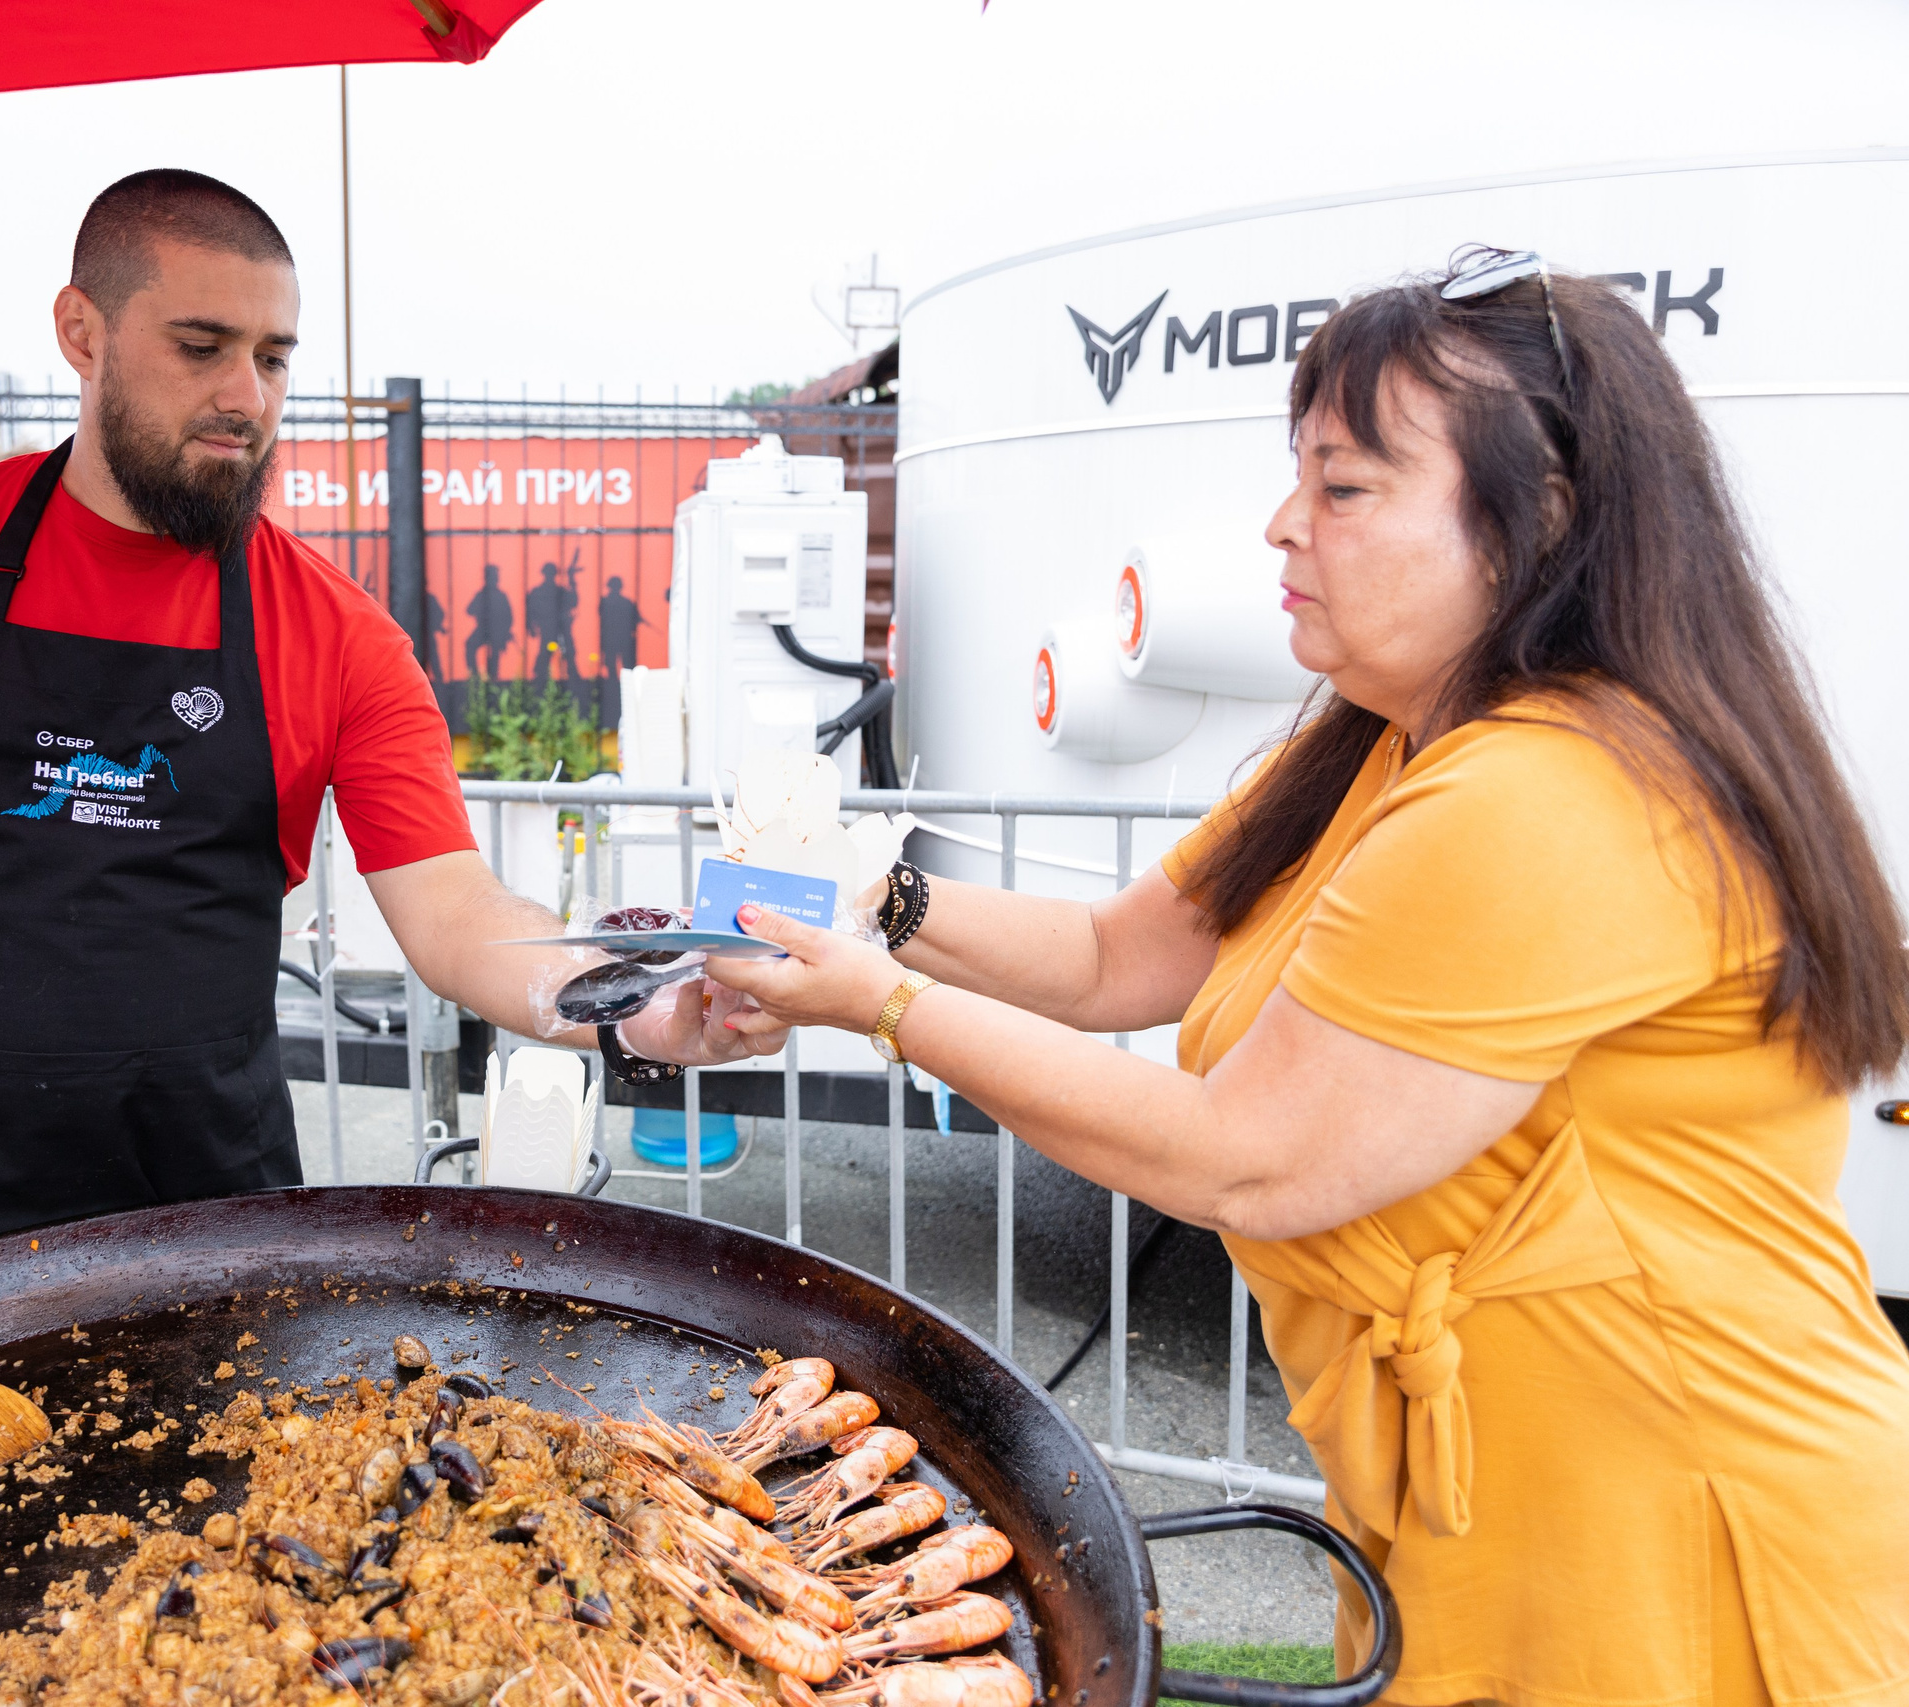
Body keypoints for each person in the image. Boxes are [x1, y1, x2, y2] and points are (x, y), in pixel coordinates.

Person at [705, 256, 1909, 1701]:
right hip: (1479, 1506)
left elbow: (1249, 1159)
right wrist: (874, 900)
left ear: (1541, 520)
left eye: (1344, 488)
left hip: (1677, 1520)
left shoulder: (1553, 794)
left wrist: (878, 1003)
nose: (1282, 526)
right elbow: (1115, 957)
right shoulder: (1387, 738)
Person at [0, 169, 780, 1264]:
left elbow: (454, 910)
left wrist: (632, 1005)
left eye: (272, 356)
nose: (245, 396)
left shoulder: (339, 633)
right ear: (82, 332)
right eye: (202, 347)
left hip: (210, 1213)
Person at [525, 561, 580, 682]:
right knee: (546, 653)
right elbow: (530, 610)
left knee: (567, 652)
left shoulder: (559, 590)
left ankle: (572, 675)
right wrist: (530, 627)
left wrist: (572, 580)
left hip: (560, 628)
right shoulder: (538, 591)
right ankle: (540, 677)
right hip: (548, 628)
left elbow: (573, 602)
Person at [465, 563, 513, 680]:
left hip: (497, 631)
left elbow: (509, 617)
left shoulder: (501, 596)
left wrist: (504, 631)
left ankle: (493, 677)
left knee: (494, 652)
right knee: (469, 645)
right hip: (482, 629)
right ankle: (475, 674)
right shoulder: (481, 594)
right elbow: (469, 610)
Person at [597, 574, 645, 677]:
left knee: (623, 665)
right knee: (617, 665)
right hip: (617, 638)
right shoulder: (624, 602)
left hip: (617, 638)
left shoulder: (608, 601)